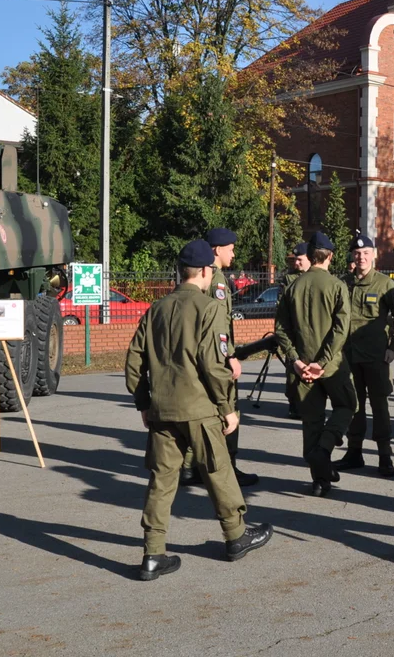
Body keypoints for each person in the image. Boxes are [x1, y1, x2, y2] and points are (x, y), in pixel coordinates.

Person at [125, 239, 273, 581]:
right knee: (218, 471)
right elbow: (212, 363)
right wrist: (228, 407)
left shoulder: (156, 309)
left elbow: (134, 361)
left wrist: (143, 402)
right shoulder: (209, 309)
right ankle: (236, 535)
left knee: (161, 481)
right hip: (200, 409)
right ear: (207, 271)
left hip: (162, 411)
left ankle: (152, 553)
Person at [274, 231, 357, 497]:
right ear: (330, 256)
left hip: (302, 367)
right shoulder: (336, 285)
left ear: (310, 256)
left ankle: (319, 480)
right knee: (347, 404)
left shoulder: (293, 287)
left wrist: (296, 360)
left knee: (311, 421)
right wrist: (322, 362)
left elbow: (281, 329)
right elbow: (341, 328)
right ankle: (325, 447)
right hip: (330, 366)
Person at [181, 228, 258, 487]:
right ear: (217, 250)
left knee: (203, 407)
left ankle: (190, 467)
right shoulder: (217, 280)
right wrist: (230, 356)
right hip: (216, 354)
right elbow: (220, 324)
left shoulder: (206, 276)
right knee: (228, 406)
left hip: (201, 352)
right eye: (231, 248)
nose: (233, 253)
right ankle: (228, 466)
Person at [334, 235, 394, 477]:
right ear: (352, 257)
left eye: (366, 253)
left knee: (379, 406)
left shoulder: (385, 284)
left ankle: (385, 456)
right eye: (357, 254)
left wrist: (393, 347)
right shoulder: (344, 283)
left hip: (376, 357)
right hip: (349, 356)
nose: (361, 257)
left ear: (373, 255)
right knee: (354, 406)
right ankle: (354, 452)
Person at [278, 242, 310, 421]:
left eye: (300, 259)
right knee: (293, 370)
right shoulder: (288, 280)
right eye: (295, 260)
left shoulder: (317, 277)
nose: (296, 263)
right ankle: (294, 404)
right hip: (294, 330)